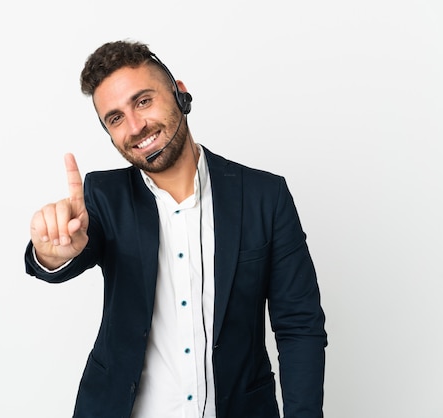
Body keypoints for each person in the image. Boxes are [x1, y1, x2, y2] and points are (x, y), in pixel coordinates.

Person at [25, 40, 327, 418]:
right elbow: (73, 247)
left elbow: (300, 326)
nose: (136, 126)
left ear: (179, 93)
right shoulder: (103, 196)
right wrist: (50, 254)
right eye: (115, 118)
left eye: (143, 101)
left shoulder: (265, 195)